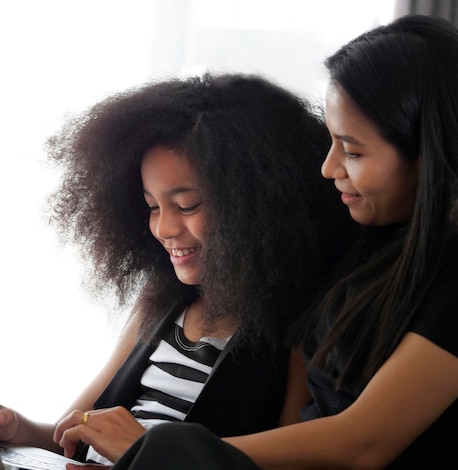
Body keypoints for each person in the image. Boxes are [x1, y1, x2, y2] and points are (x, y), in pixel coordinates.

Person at [0, 73, 353, 468]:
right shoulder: (161, 301)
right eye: (151, 206)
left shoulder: (294, 327)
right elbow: (69, 431)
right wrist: (11, 427)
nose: (164, 227)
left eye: (187, 205)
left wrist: (148, 450)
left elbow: (287, 460)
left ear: (256, 207)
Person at [95, 14, 458, 470]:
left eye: (353, 150)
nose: (328, 168)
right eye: (331, 142)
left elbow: (363, 442)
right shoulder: (363, 252)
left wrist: (161, 450)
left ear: (431, 152)